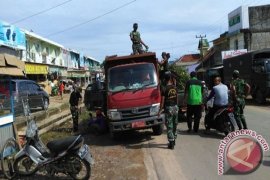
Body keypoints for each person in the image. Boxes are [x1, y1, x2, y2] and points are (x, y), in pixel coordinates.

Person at [158, 71, 178, 149]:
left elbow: (162, 101)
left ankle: (171, 143)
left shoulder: (164, 88)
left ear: (164, 79)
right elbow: (176, 99)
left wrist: (160, 109)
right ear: (170, 78)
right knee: (175, 124)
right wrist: (176, 106)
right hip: (175, 107)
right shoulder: (175, 87)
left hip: (168, 108)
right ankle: (174, 139)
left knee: (169, 125)